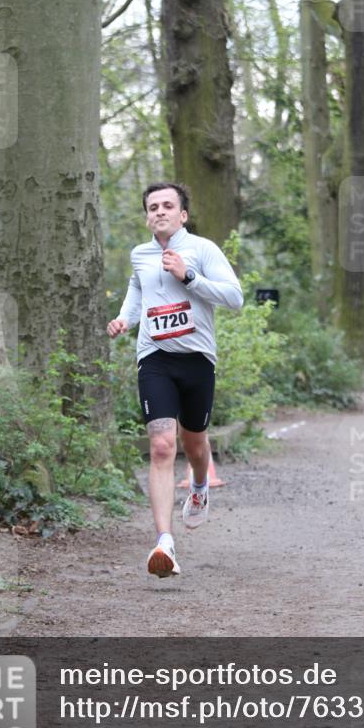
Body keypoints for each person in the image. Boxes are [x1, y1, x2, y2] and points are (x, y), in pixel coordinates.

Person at [107, 182, 243, 578]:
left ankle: (199, 486)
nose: (160, 211)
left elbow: (235, 298)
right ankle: (164, 541)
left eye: (168, 205)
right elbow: (138, 290)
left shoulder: (202, 250)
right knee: (163, 445)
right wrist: (125, 318)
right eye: (153, 207)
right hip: (155, 359)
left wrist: (190, 278)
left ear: (183, 214)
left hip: (197, 359)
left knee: (195, 442)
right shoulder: (140, 255)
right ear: (147, 215)